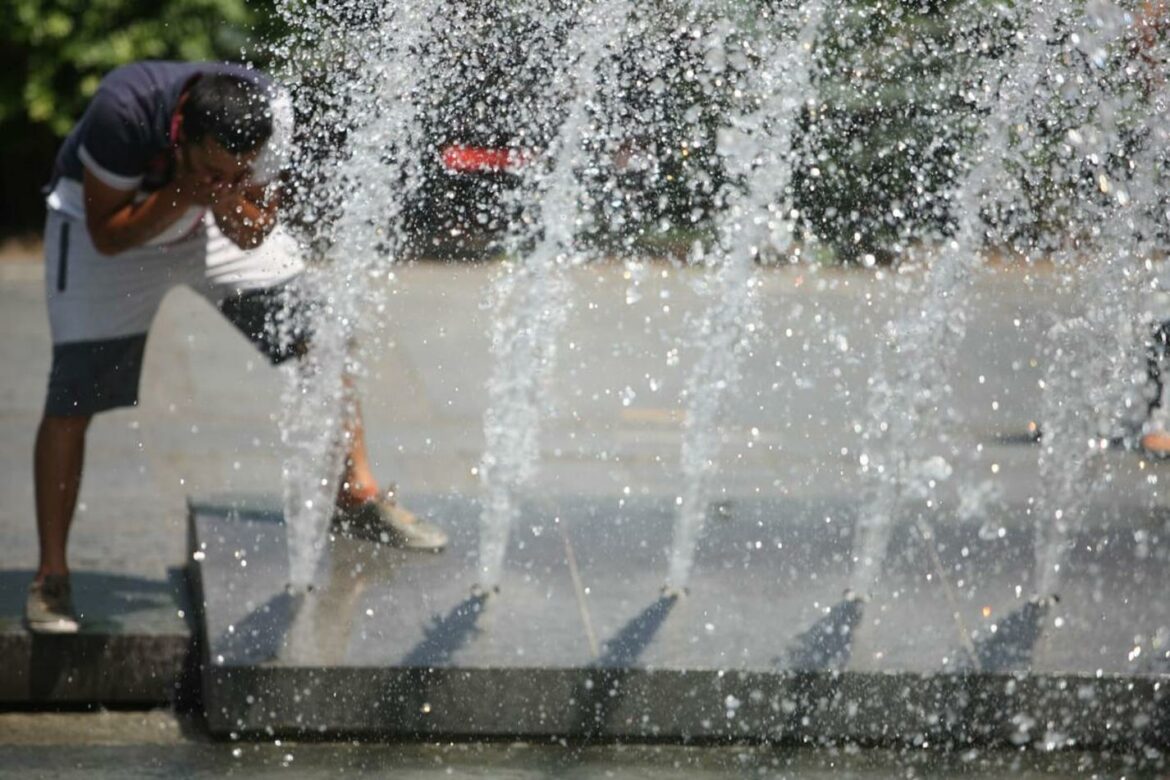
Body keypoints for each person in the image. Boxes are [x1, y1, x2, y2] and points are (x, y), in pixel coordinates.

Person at [27, 60, 448, 634]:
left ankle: (357, 497)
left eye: (239, 172)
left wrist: (221, 200)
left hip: (196, 215)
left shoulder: (268, 116)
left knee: (321, 334)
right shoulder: (121, 114)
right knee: (73, 398)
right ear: (182, 138)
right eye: (215, 168)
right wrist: (185, 193)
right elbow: (109, 236)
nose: (230, 178)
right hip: (111, 233)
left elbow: (252, 231)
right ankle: (52, 576)